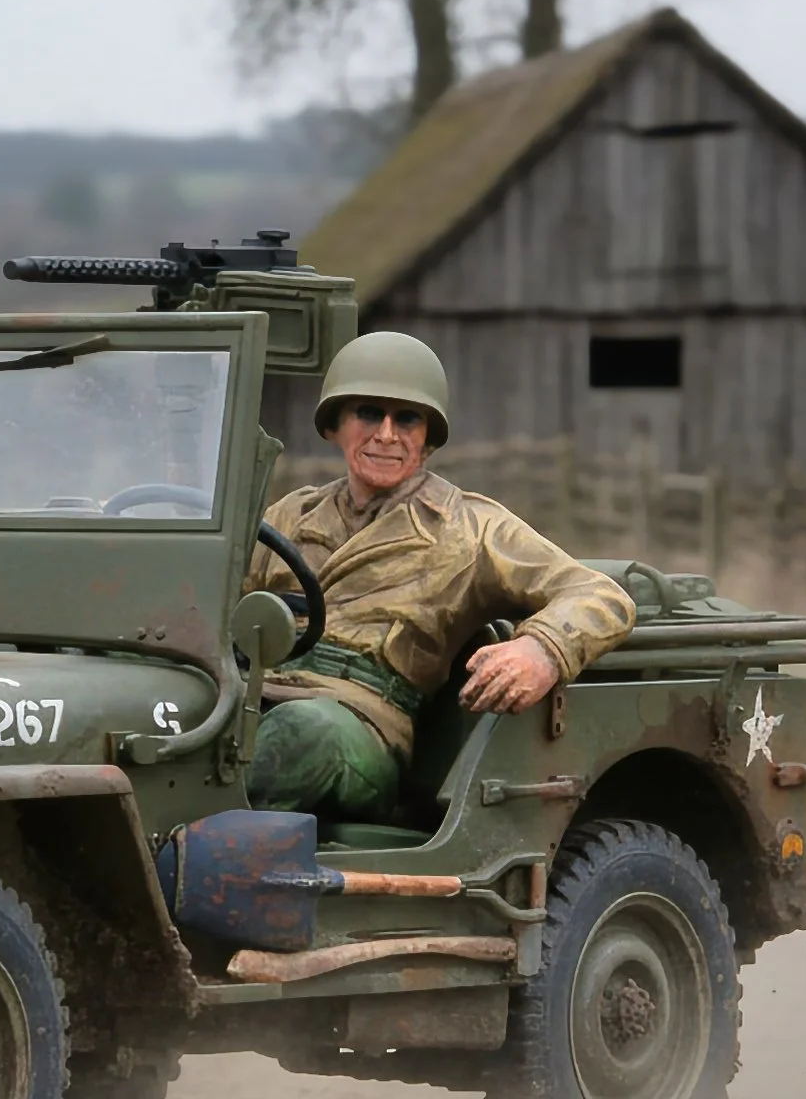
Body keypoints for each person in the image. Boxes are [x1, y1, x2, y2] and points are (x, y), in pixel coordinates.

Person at [244, 330, 636, 821]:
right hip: (255, 693)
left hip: (359, 724)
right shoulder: (290, 515)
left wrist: (542, 649)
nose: (386, 434)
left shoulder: (470, 528)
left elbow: (601, 596)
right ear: (334, 426)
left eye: (406, 419)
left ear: (427, 439)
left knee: (299, 737)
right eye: (368, 413)